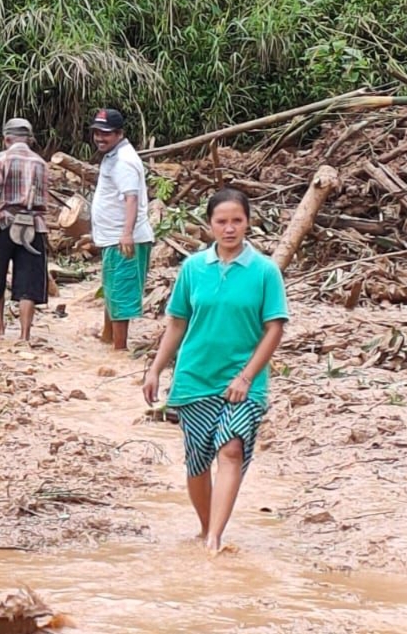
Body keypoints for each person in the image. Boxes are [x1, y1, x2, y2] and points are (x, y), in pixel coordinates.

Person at [143, 189, 287, 554]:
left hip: (244, 381)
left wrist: (246, 377)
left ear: (248, 223)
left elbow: (274, 328)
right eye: (222, 221)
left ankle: (214, 538)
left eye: (237, 220)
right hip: (195, 378)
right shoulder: (193, 269)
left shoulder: (265, 271)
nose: (229, 228)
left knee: (232, 448)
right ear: (209, 226)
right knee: (197, 461)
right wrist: (156, 369)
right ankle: (205, 526)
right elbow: (177, 323)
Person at [90, 107, 154, 352]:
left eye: (105, 134)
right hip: (114, 237)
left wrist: (126, 233)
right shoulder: (115, 156)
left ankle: (119, 349)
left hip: (124, 239)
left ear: (119, 133)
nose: (99, 138)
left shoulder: (124, 161)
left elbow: (131, 198)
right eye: (96, 133)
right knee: (112, 288)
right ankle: (109, 337)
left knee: (121, 292)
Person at [0, 117, 50, 342]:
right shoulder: (41, 162)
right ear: (29, 140)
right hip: (34, 225)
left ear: (6, 139)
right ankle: (24, 334)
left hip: (4, 222)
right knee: (29, 279)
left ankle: (0, 328)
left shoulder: (0, 160)